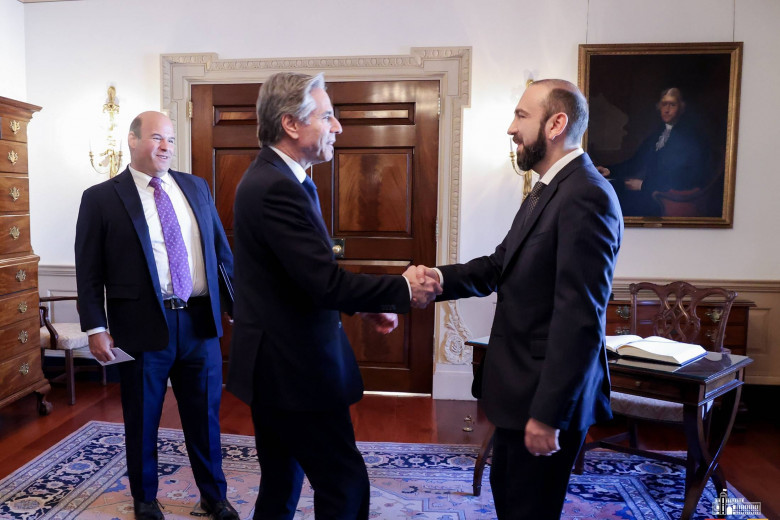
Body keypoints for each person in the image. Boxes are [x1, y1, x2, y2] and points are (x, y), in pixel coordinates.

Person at [225, 72, 441, 520]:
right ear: (290, 123)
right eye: (327, 116)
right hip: (293, 371)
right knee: (344, 485)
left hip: (279, 365)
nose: (337, 127)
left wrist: (363, 304)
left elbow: (300, 277)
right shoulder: (275, 186)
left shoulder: (282, 178)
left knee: (281, 485)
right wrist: (402, 287)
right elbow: (323, 282)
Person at [418, 79, 623, 519]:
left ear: (556, 124)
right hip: (520, 391)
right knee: (510, 500)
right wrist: (437, 279)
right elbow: (500, 265)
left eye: (521, 116)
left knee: (529, 510)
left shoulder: (586, 195)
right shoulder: (547, 189)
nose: (512, 128)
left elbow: (580, 318)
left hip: (544, 398)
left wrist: (549, 415)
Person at [75, 111, 239, 520]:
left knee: (204, 417)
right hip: (143, 324)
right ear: (132, 140)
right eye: (156, 138)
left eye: (170, 139)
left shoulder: (195, 186)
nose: (166, 147)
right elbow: (89, 270)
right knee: (143, 417)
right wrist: (96, 327)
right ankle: (145, 499)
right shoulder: (101, 197)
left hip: (200, 322)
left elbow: (221, 253)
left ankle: (214, 497)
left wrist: (238, 307)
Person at [598, 87, 711, 216]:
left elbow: (685, 177)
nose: (667, 110)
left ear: (681, 107)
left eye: (672, 105)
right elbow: (636, 162)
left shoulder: (689, 137)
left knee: (617, 200)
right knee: (612, 191)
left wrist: (644, 185)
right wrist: (609, 170)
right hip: (652, 192)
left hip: (668, 197)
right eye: (664, 104)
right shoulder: (658, 134)